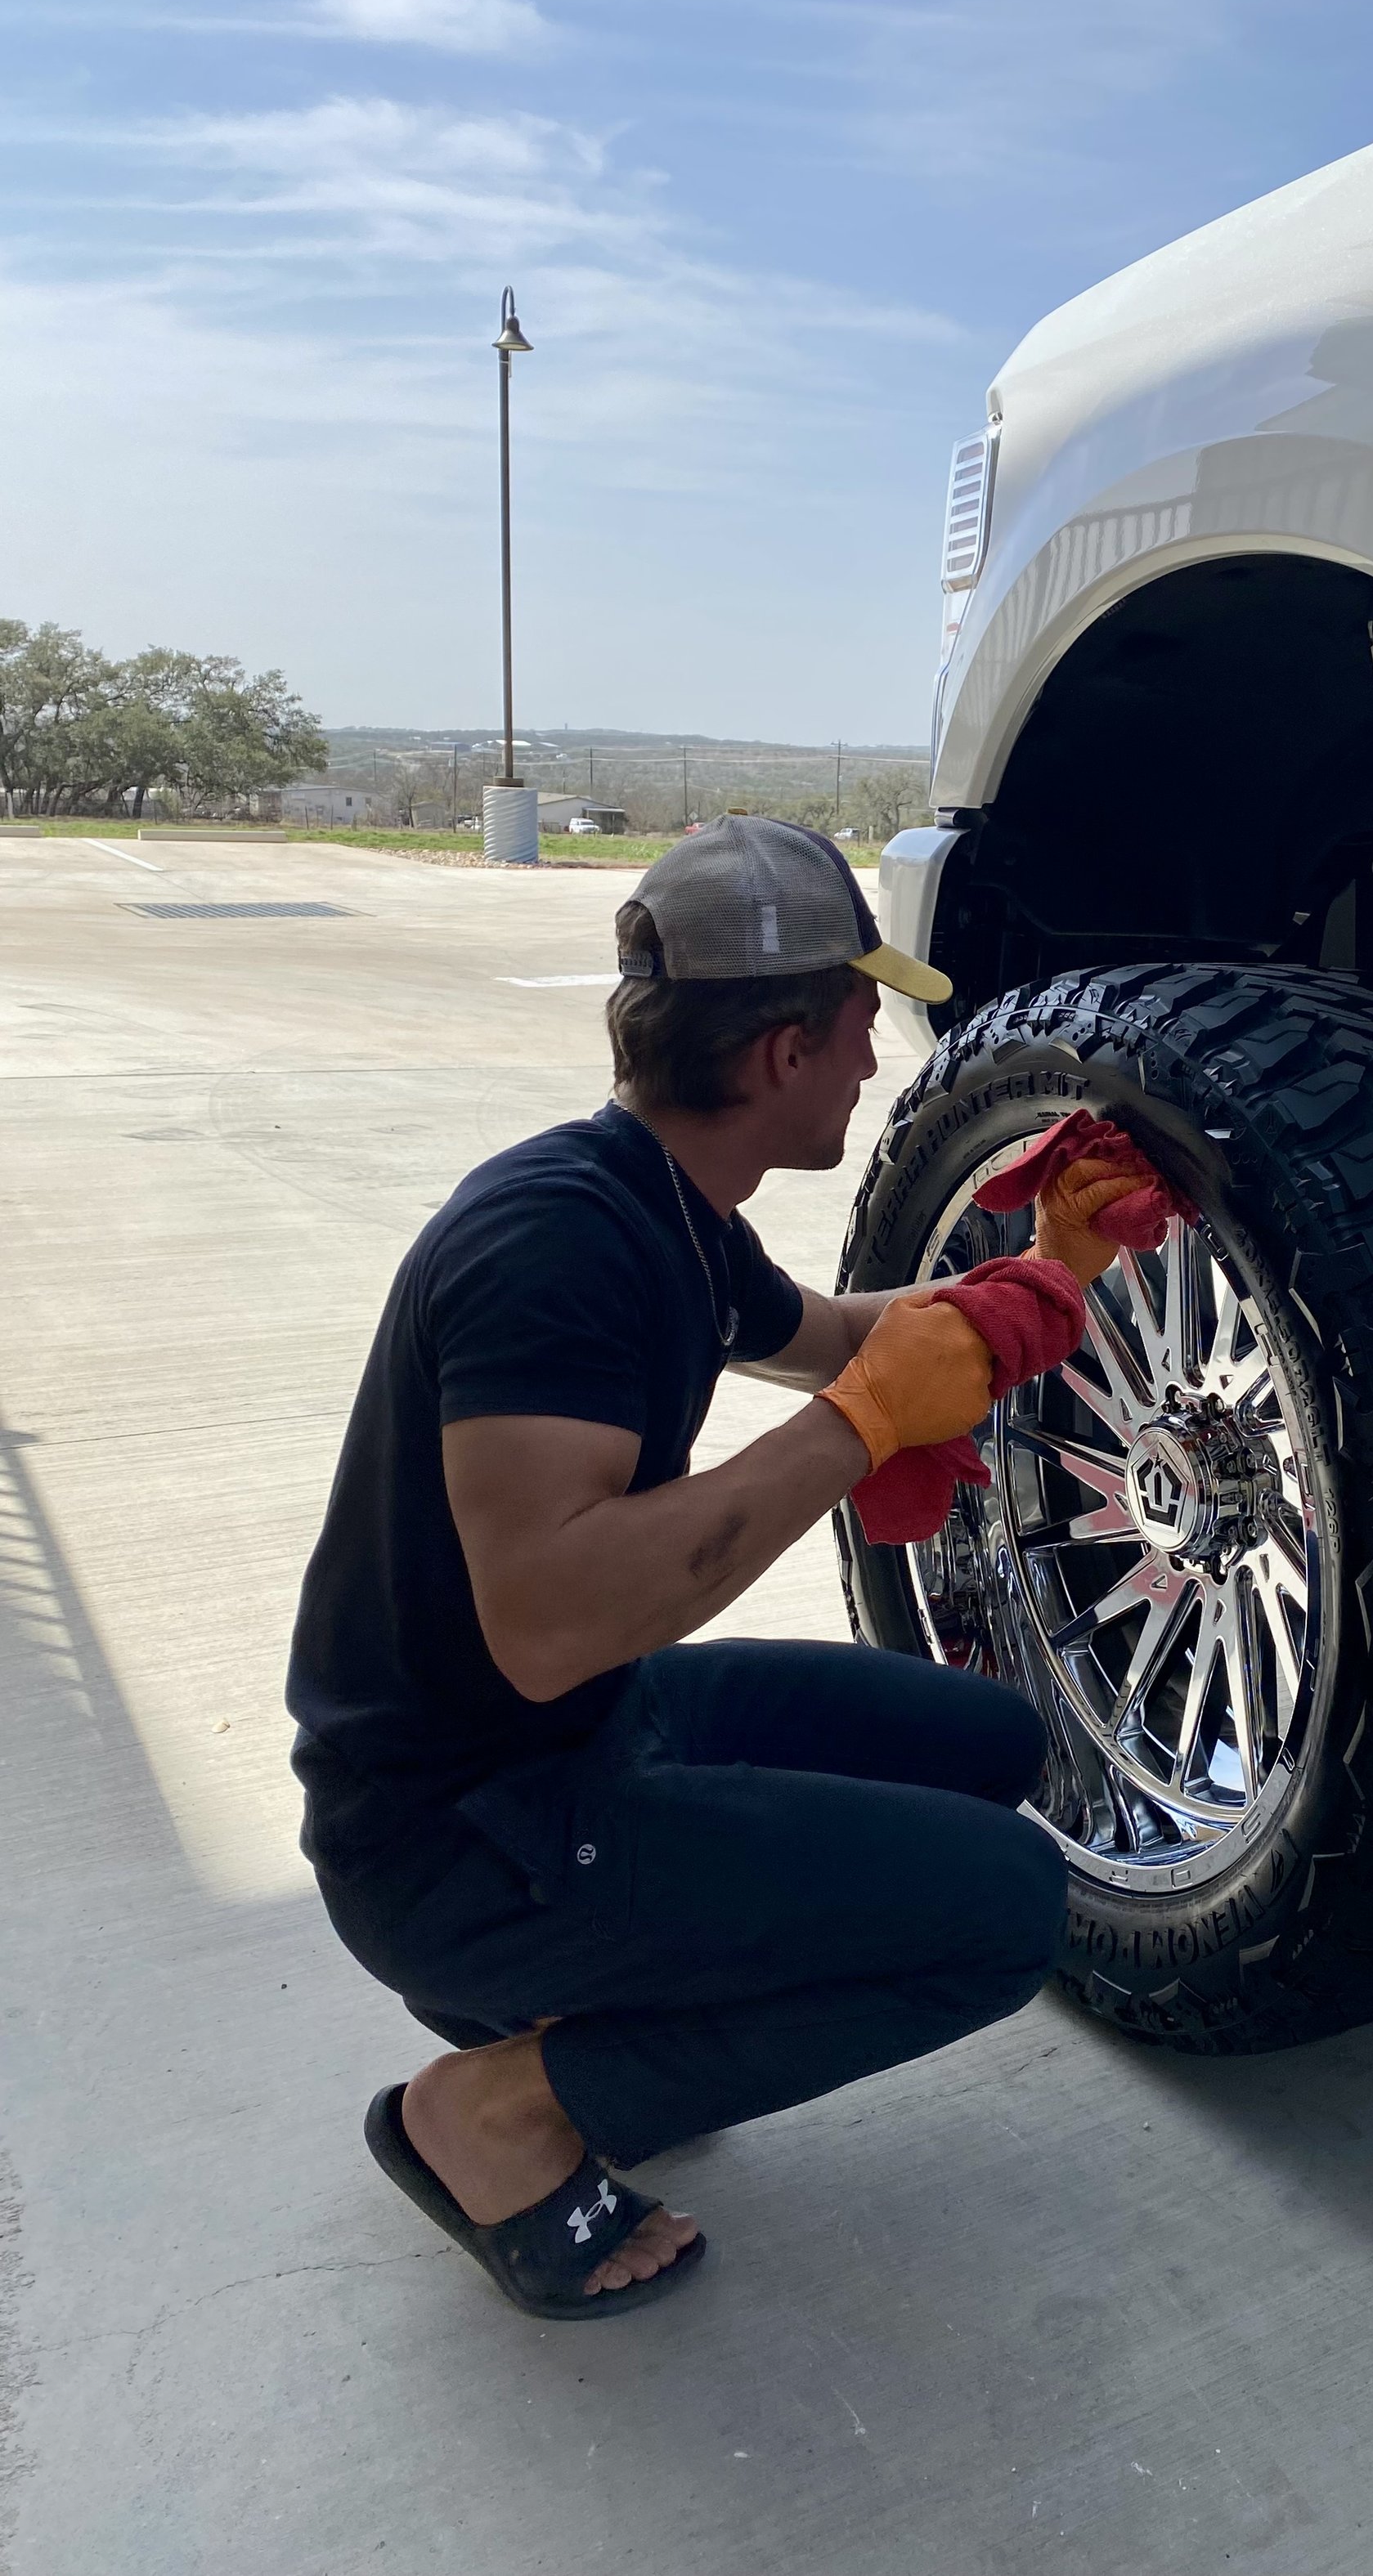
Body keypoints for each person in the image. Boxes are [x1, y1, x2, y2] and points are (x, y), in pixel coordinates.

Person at [286, 817, 1086, 2323]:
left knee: (987, 1747)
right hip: (458, 1834)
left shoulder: (663, 1204)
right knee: (1006, 1909)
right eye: (862, 1027)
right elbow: (550, 1620)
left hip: (568, 1742)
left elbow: (854, 1342)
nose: (874, 1063)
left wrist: (1049, 1264)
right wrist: (861, 1432)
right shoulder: (557, 1248)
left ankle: (599, 2007)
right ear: (784, 1050)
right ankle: (506, 2108)